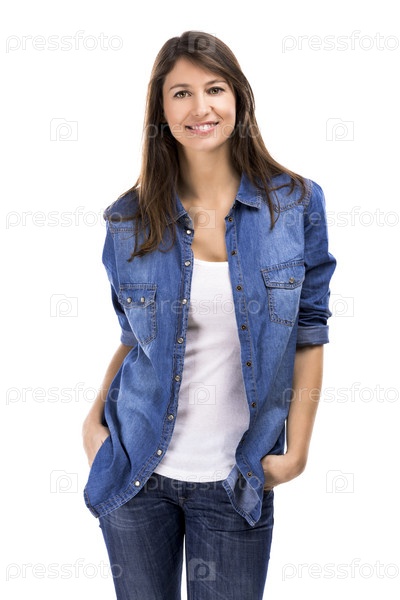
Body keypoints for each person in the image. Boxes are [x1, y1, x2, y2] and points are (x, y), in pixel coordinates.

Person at [82, 30, 336, 600]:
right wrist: (92, 423)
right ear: (161, 110)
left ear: (238, 98)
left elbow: (309, 331)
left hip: (236, 479)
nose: (201, 108)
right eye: (181, 93)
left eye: (215, 89)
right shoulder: (128, 219)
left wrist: (296, 453)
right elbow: (132, 338)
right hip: (135, 472)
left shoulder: (296, 204)